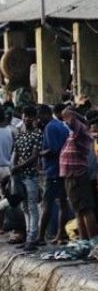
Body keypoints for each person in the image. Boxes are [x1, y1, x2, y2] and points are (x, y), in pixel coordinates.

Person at [60, 107, 98, 239]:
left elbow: (67, 114)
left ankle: (92, 242)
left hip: (77, 175)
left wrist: (72, 112)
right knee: (79, 211)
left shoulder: (80, 130)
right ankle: (84, 241)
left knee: (86, 210)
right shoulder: (78, 131)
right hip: (73, 175)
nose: (65, 120)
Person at [11, 106, 42, 250]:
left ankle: (32, 237)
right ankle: (30, 236)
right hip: (20, 175)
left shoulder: (37, 134)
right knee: (25, 207)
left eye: (30, 117)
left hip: (30, 175)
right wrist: (13, 168)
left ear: (35, 119)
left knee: (32, 206)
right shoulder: (19, 135)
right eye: (25, 116)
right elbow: (16, 153)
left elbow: (34, 157)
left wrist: (17, 167)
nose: (26, 119)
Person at [38, 104, 70, 245]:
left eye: (38, 116)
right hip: (63, 170)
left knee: (47, 204)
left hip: (53, 171)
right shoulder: (61, 125)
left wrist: (40, 153)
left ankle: (40, 237)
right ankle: (60, 234)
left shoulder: (50, 127)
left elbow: (54, 149)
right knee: (63, 203)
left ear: (44, 114)